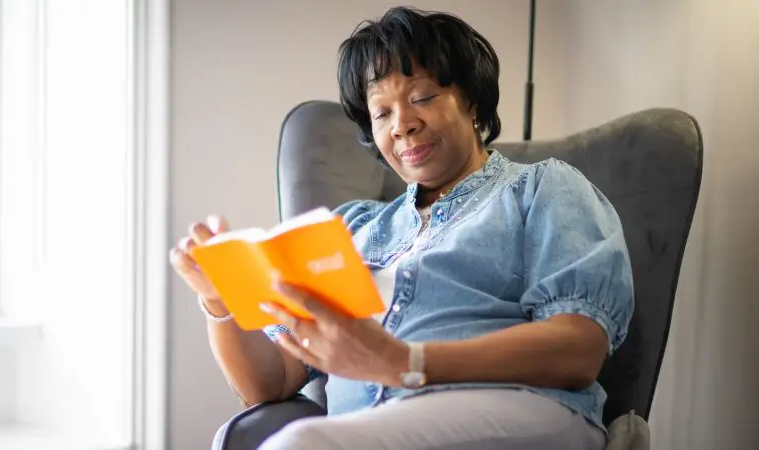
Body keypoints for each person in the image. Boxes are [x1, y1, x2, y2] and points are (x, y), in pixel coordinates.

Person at [170, 6, 634, 450]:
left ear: (471, 101)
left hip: (525, 410)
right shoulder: (352, 229)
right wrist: (218, 302)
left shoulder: (542, 188)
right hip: (371, 429)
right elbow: (270, 382)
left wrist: (404, 363)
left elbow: (579, 348)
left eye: (422, 98)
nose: (403, 126)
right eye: (382, 112)